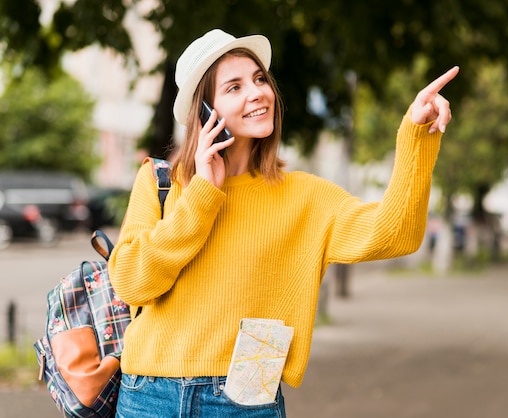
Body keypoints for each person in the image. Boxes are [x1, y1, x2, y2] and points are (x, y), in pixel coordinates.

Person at [109, 28, 459, 417]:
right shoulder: (159, 182)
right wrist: (203, 194)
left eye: (260, 79)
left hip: (244, 398)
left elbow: (398, 234)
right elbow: (131, 283)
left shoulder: (305, 196)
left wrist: (416, 135)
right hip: (147, 395)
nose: (257, 92)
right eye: (234, 87)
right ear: (204, 113)